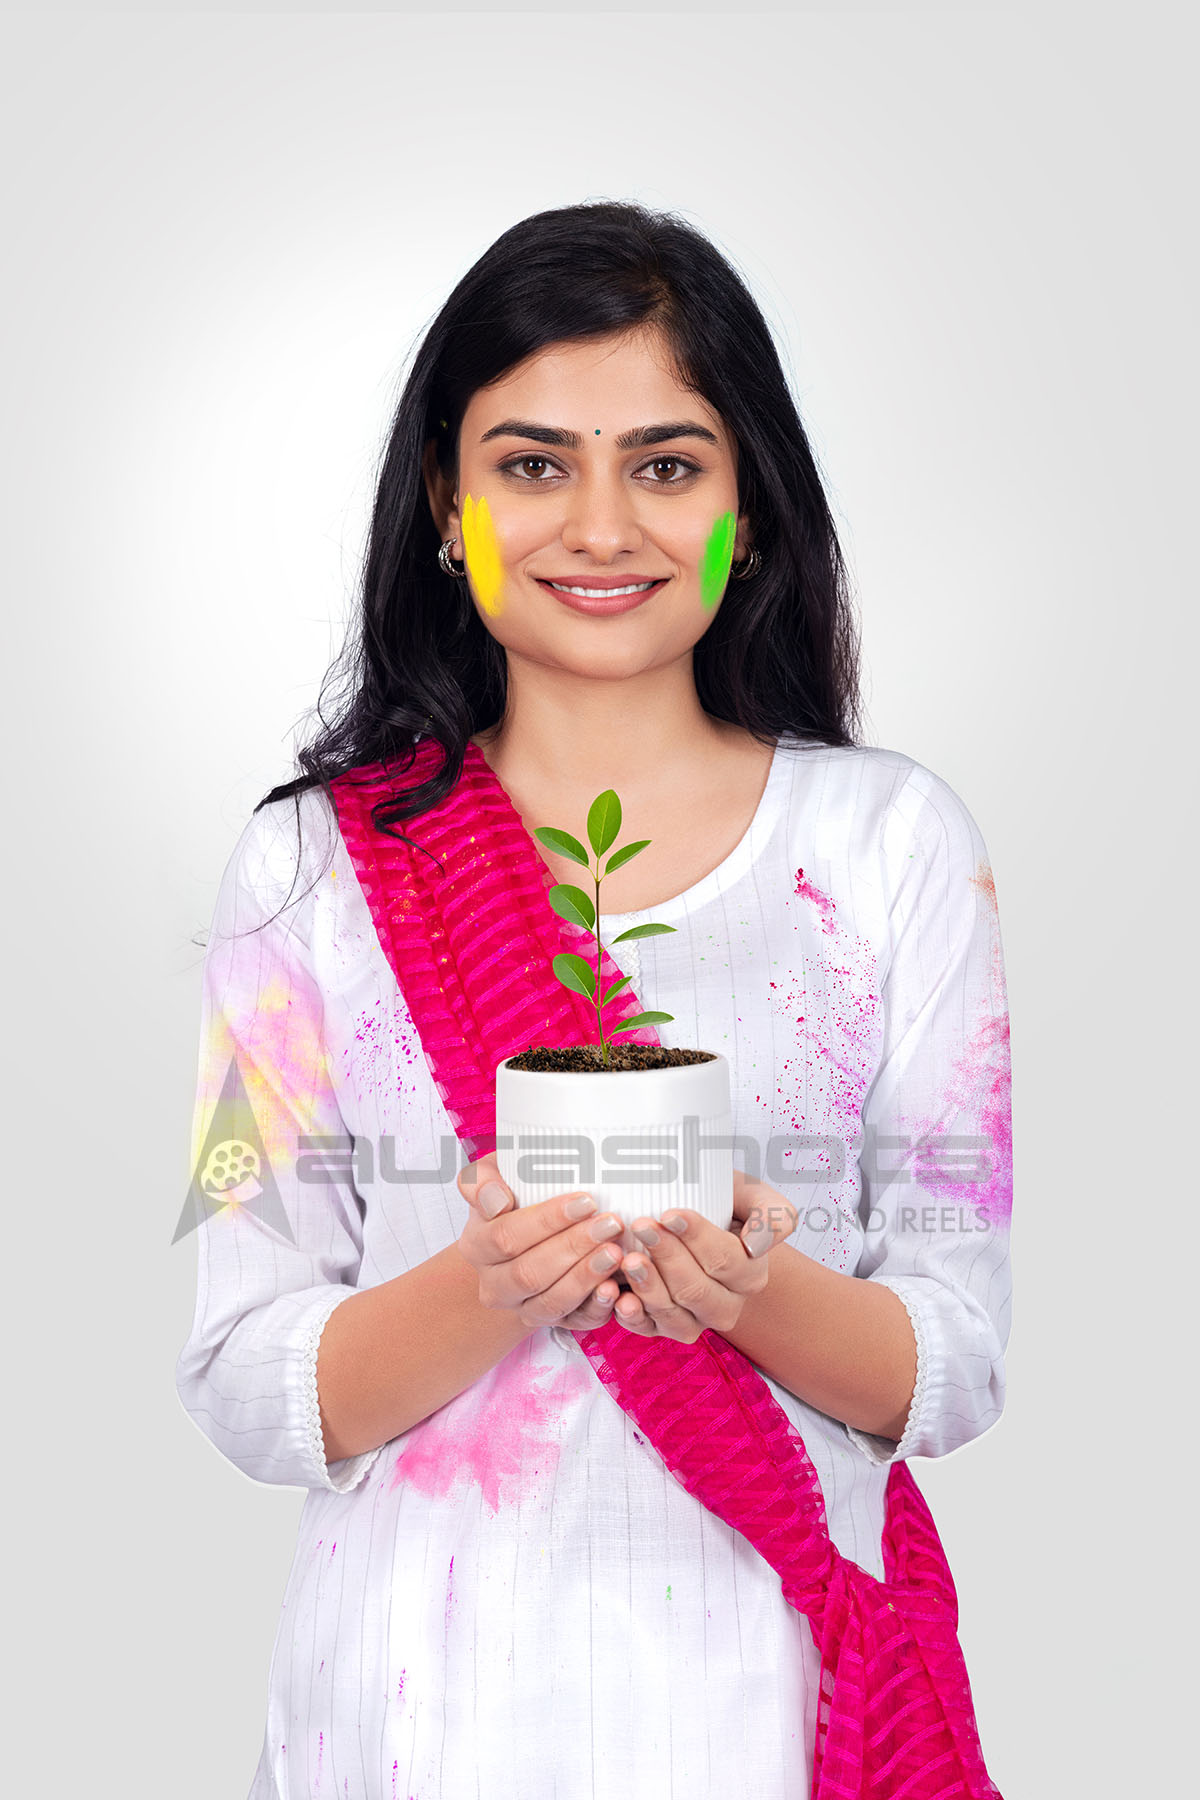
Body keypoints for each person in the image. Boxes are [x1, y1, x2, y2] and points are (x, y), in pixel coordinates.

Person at [176, 200, 1012, 1800]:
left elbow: (956, 1357)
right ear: (447, 498)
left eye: (668, 465)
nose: (602, 527)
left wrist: (745, 1292)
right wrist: (493, 1281)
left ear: (748, 506)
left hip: (779, 1706)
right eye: (534, 463)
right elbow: (240, 1363)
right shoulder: (301, 871)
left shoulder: (895, 845)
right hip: (420, 1716)